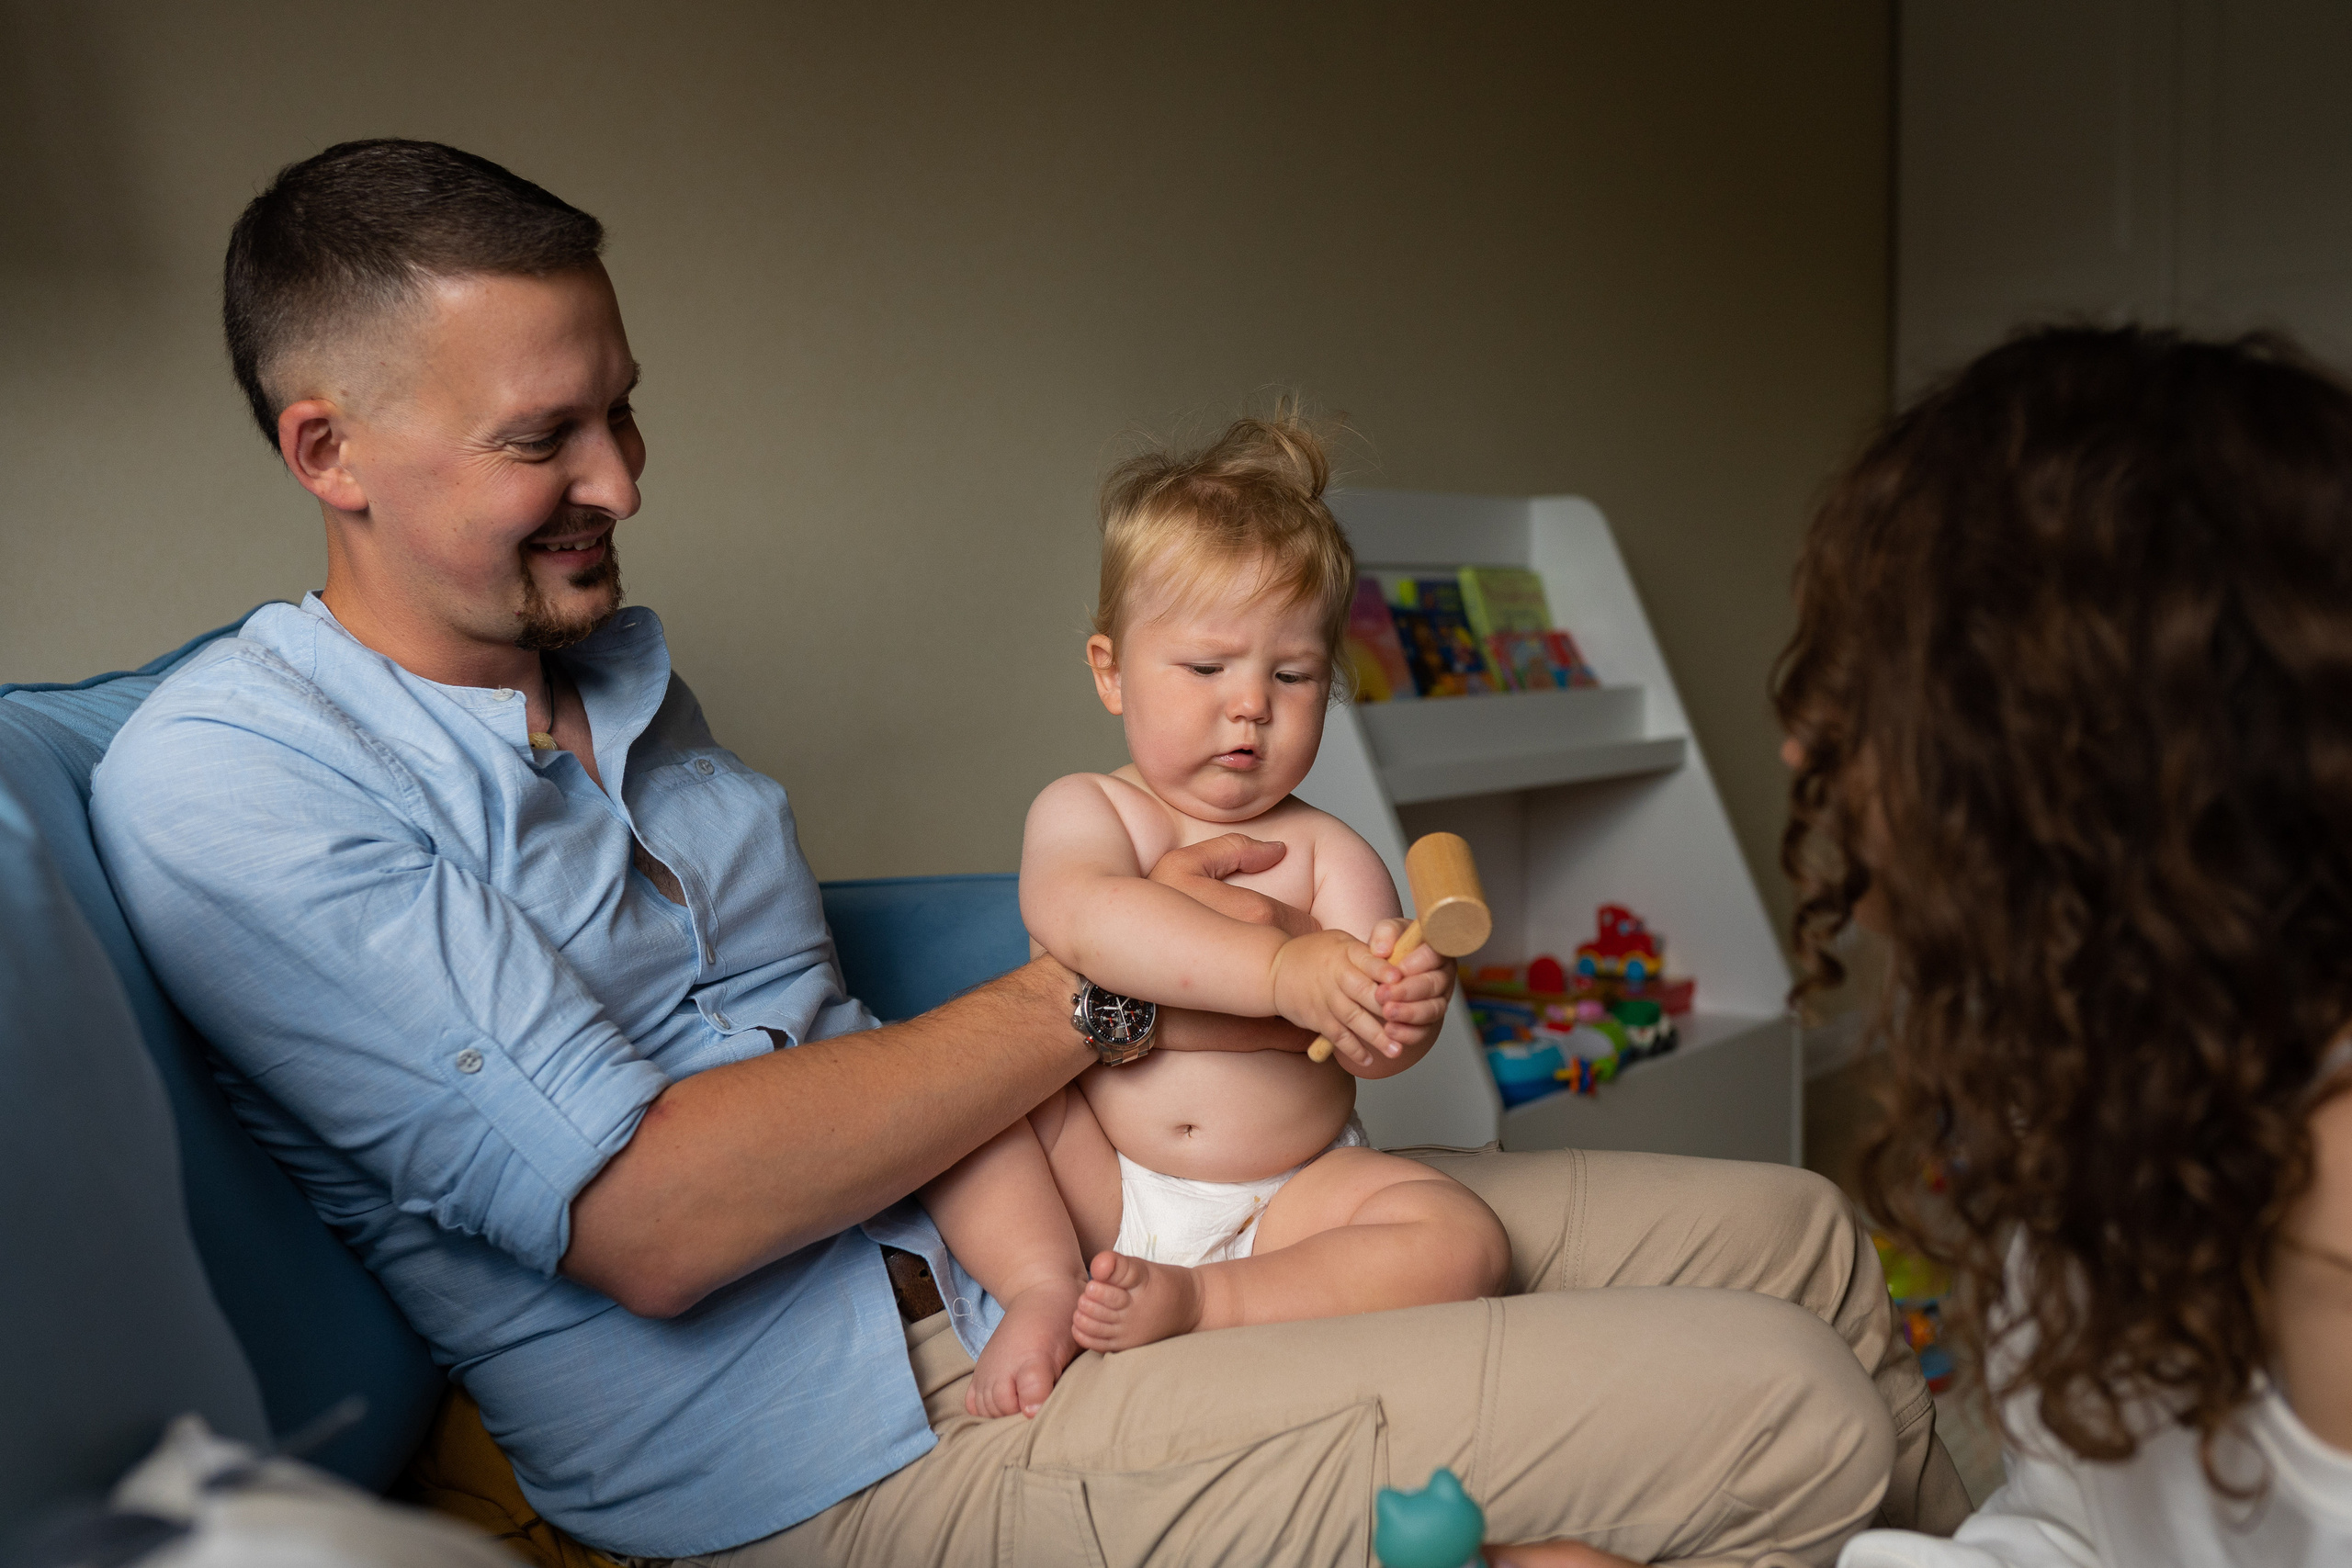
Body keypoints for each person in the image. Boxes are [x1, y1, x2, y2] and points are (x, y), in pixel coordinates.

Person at [89, 137, 1967, 1565]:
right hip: (844, 1431)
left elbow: (809, 1017)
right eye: (547, 438)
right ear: (328, 446)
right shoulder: (240, 785)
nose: (627, 480)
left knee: (1801, 1238)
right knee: (1777, 1405)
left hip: (1052, 1231)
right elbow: (650, 1216)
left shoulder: (611, 678)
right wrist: (1110, 980)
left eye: (624, 404)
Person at [1767, 326, 2352, 1566]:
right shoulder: (2122, 1061)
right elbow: (2081, 1525)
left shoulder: (2332, 1209)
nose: (1804, 747)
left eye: (1874, 685)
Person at [921, 414, 1510, 1419]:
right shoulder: (1089, 811)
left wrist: (1397, 1006)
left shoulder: (1331, 853)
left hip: (1290, 1194)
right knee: (954, 1112)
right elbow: (1093, 923)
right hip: (1102, 1181)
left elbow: (1369, 1053)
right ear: (1110, 671)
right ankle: (1041, 1286)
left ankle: (1210, 1298)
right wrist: (1284, 974)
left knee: (1466, 1241)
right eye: (1206, 670)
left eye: (1292, 676)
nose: (1251, 707)